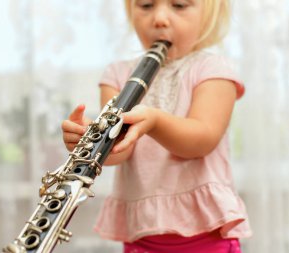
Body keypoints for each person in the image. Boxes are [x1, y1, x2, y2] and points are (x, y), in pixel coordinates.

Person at [61, 0, 252, 252]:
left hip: (207, 234)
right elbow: (120, 150)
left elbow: (202, 140)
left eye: (179, 5)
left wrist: (155, 122)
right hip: (141, 235)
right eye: (146, 5)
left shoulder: (213, 69)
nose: (159, 19)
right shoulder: (118, 76)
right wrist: (91, 142)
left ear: (208, 15)